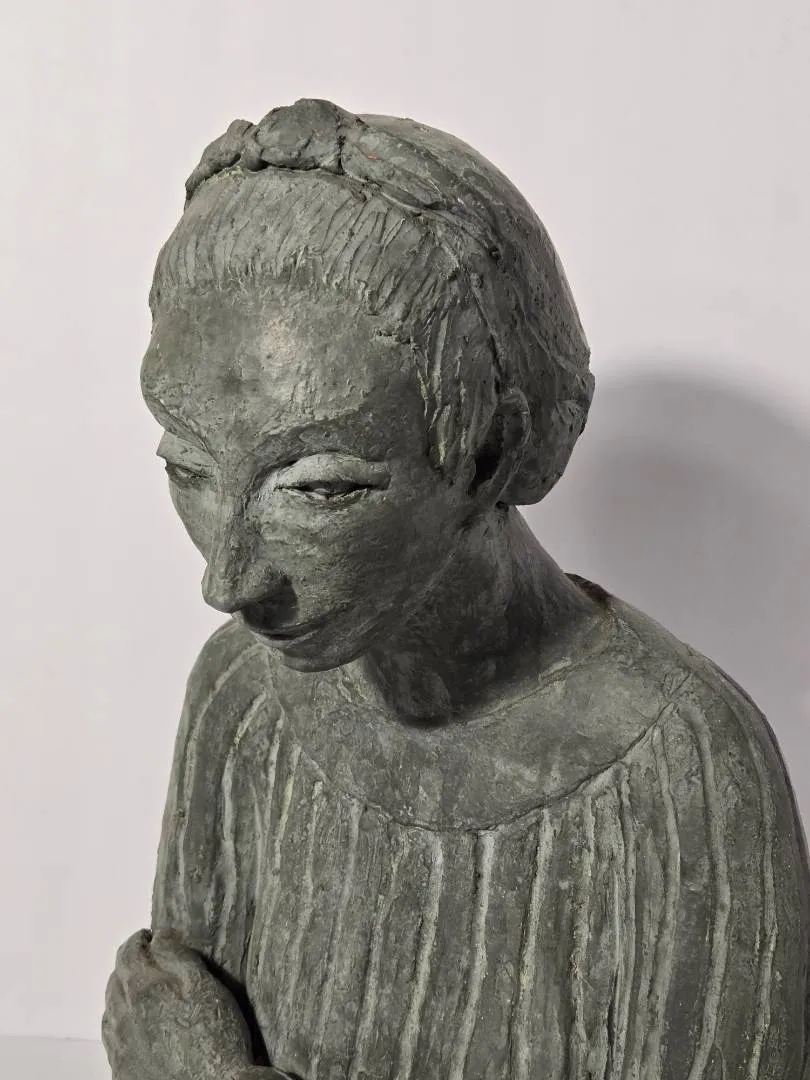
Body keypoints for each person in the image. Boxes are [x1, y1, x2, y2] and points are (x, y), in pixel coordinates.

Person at [102, 98, 810, 1080]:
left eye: (319, 488)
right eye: (189, 468)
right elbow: (165, 1014)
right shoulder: (242, 696)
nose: (228, 581)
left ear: (492, 450)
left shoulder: (681, 769)